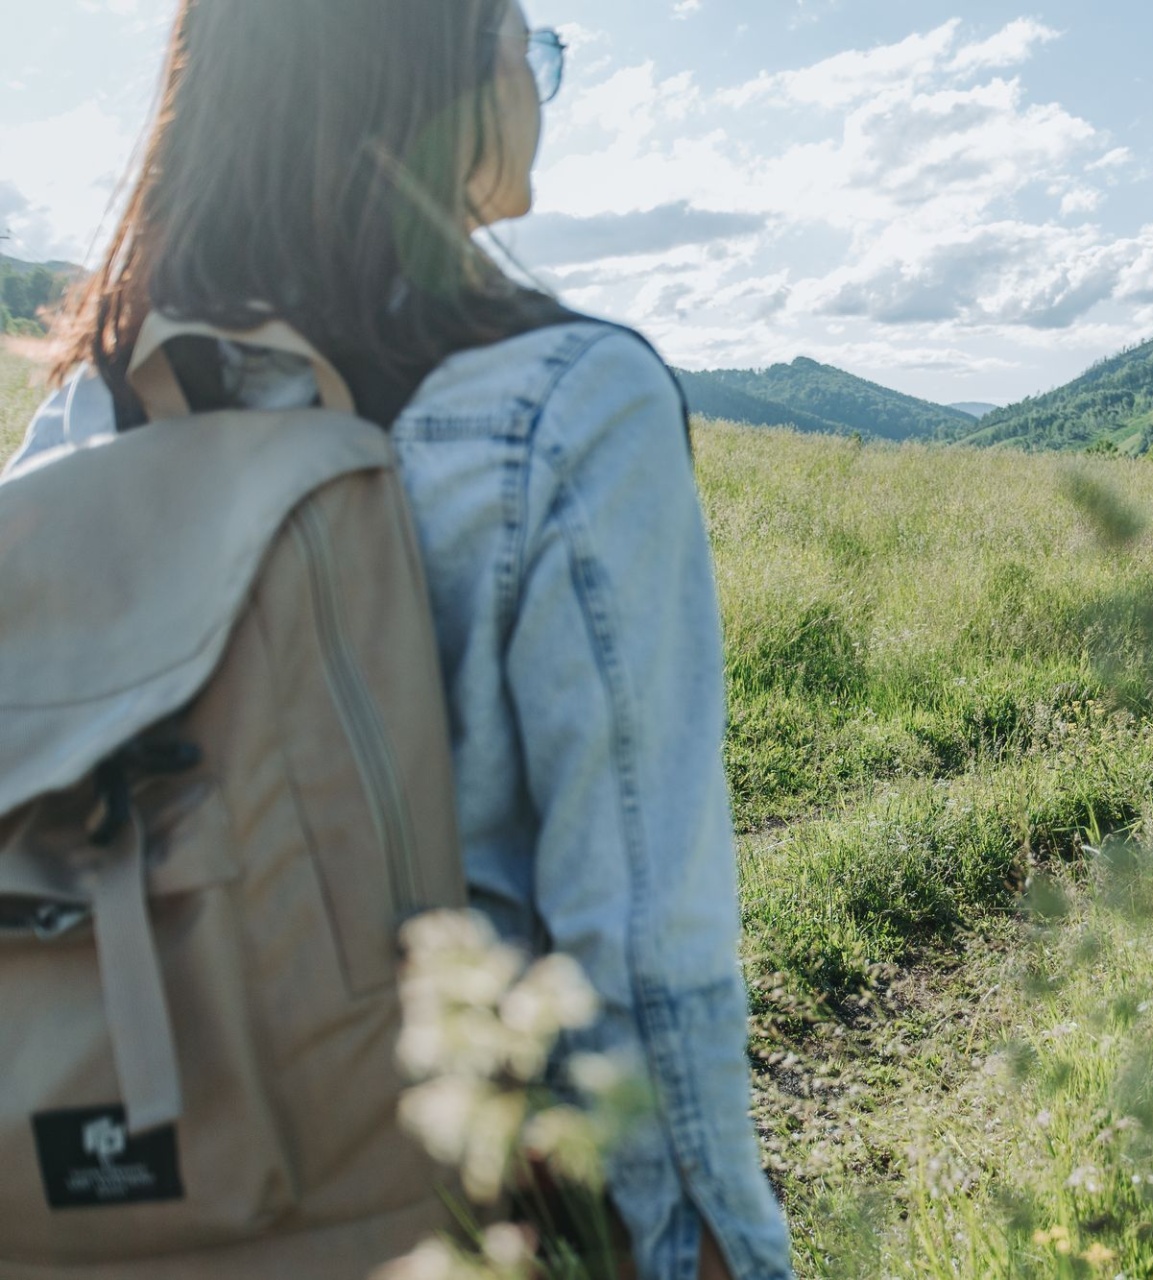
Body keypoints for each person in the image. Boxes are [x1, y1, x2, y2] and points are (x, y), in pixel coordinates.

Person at [6, 2, 791, 1277]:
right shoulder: (568, 404)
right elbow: (644, 944)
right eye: (524, 48)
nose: (538, 88)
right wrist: (710, 1245)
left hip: (107, 1194)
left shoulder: (88, 409)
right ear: (428, 72)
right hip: (444, 1210)